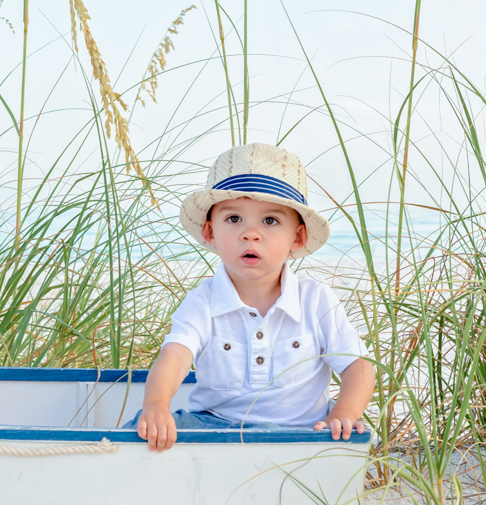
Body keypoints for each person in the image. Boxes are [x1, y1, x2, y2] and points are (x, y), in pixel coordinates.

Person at [133, 143, 374, 451]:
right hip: (215, 426)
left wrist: (344, 412)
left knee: (346, 432)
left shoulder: (315, 299)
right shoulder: (203, 301)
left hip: (300, 432)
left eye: (270, 221)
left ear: (297, 237)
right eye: (234, 219)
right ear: (210, 232)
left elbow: (359, 366)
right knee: (140, 431)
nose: (250, 233)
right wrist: (156, 405)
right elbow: (176, 356)